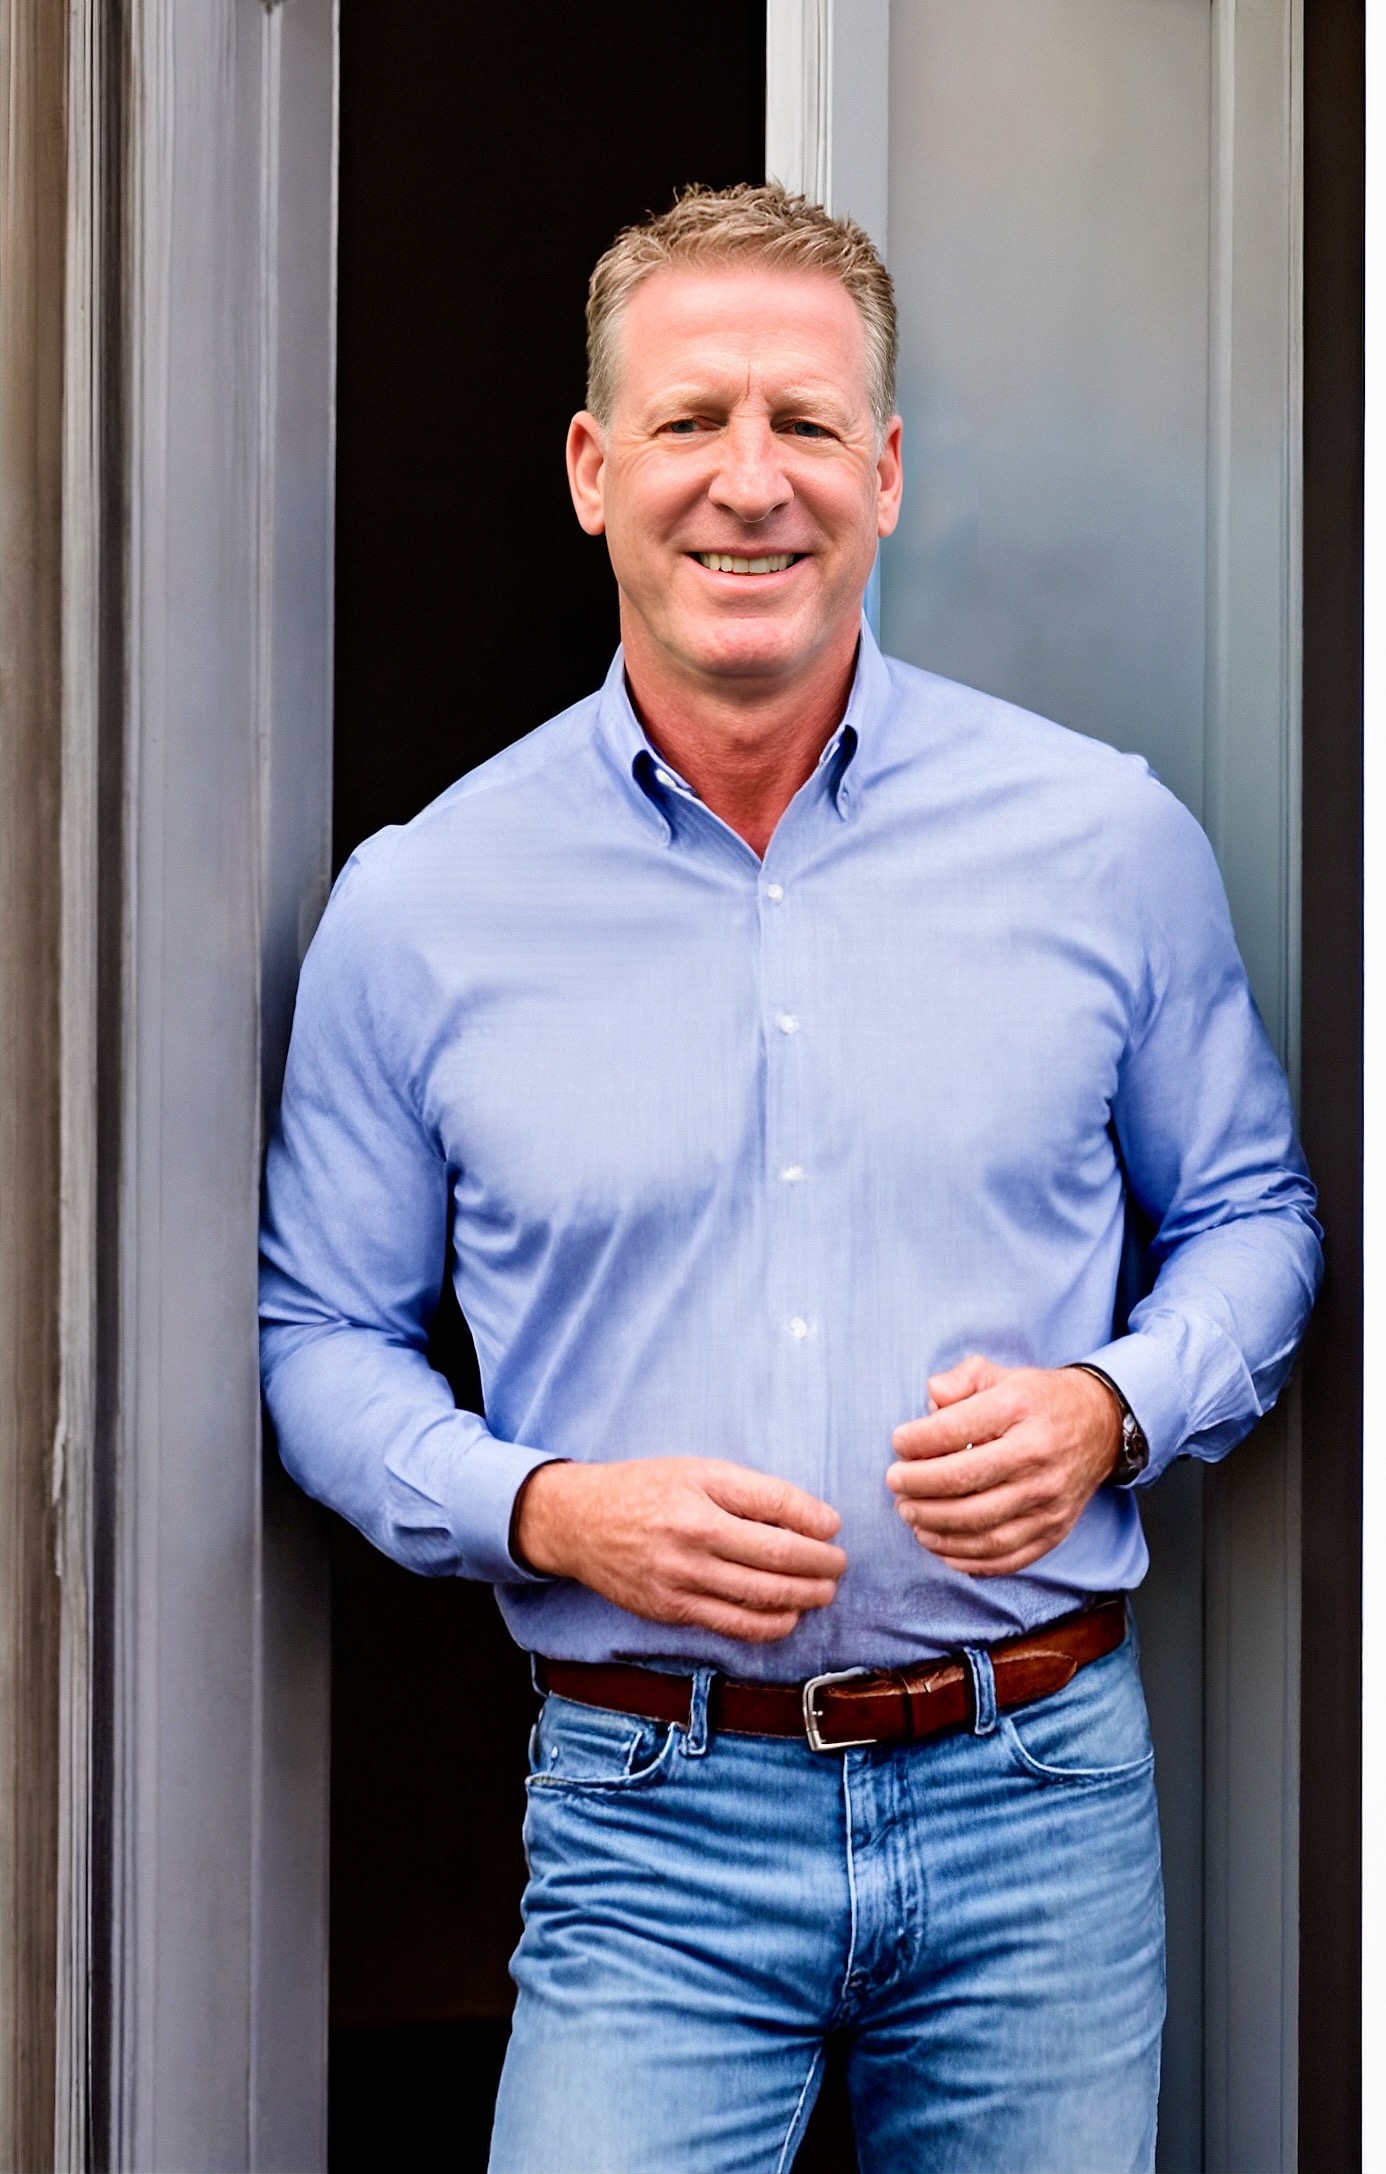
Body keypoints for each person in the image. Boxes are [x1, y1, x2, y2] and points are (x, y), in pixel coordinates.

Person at [260, 183, 1321, 2174]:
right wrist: (552, 1510)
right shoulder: (421, 904)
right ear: (593, 470)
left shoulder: (1104, 842)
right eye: (689, 422)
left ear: (889, 473)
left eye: (808, 425)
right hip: (647, 1814)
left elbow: (1255, 1221)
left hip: (1039, 1801)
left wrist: (1111, 1408)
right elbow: (318, 1333)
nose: (751, 483)